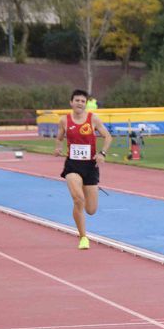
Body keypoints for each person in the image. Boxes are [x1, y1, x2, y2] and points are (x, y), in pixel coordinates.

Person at [54, 89, 112, 250]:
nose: (80, 103)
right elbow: (59, 137)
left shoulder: (93, 119)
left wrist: (102, 153)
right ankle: (83, 237)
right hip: (72, 164)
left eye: (82, 101)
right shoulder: (64, 120)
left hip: (90, 166)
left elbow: (108, 137)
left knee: (91, 210)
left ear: (85, 104)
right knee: (78, 199)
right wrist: (58, 148)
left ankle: (89, 191)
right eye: (77, 100)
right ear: (71, 102)